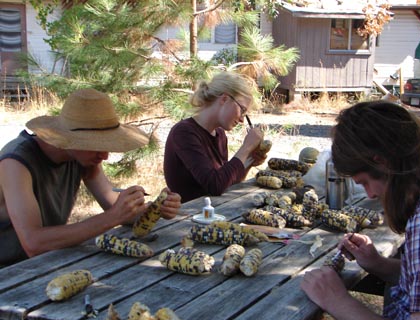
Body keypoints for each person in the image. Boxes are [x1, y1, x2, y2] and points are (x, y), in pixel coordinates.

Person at [0, 88, 181, 266]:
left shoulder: (81, 157)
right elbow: (33, 243)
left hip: (48, 260)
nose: (105, 155)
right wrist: (112, 217)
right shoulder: (16, 163)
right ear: (69, 139)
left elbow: (116, 208)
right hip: (10, 269)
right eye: (96, 145)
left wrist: (156, 210)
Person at [301, 101, 420, 320]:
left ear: (382, 162)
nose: (371, 195)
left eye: (365, 182)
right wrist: (378, 264)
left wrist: (337, 301)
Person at [164, 71, 265, 203]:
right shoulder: (184, 132)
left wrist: (249, 161)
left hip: (210, 212)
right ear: (224, 99)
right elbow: (214, 185)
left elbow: (226, 182)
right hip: (187, 217)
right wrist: (245, 148)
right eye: (242, 110)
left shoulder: (220, 135)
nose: (241, 119)